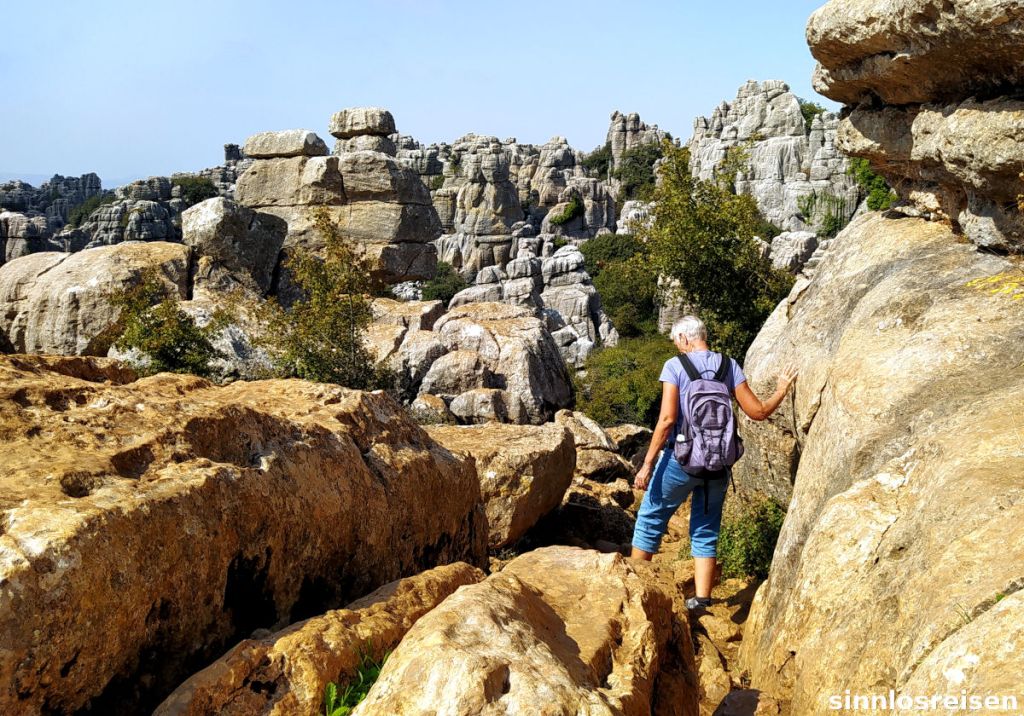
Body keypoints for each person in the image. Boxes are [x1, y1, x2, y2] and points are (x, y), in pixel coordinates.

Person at [630, 315, 797, 610]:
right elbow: (757, 412)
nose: (677, 347)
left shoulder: (675, 366)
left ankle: (632, 586)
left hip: (680, 462)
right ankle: (702, 599)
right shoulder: (728, 365)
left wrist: (647, 463)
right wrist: (782, 390)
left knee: (650, 518)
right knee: (706, 528)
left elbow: (667, 419)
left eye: (676, 342)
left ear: (683, 338)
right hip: (718, 463)